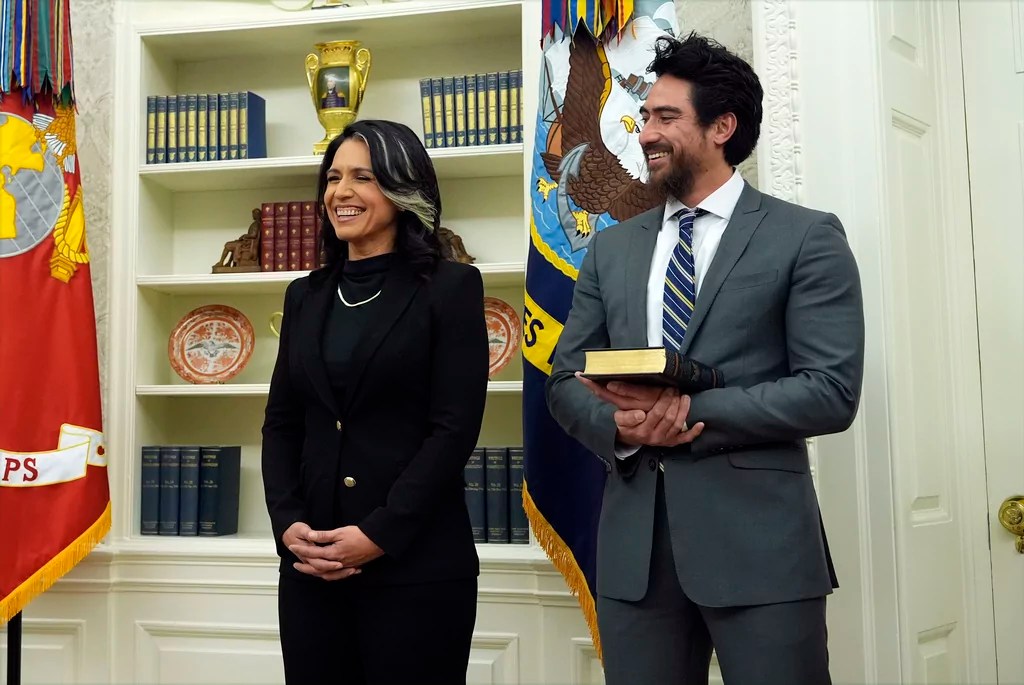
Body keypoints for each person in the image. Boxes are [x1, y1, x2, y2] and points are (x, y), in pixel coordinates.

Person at [545, 32, 864, 685]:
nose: (645, 133)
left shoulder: (805, 237)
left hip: (762, 554)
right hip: (635, 558)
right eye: (646, 118)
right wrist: (620, 426)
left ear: (723, 126)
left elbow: (830, 389)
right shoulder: (610, 250)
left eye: (666, 118)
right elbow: (564, 378)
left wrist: (693, 412)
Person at [261, 119, 489, 685]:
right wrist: (287, 523)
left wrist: (379, 535)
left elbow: (453, 430)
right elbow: (282, 424)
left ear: (402, 187)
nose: (341, 192)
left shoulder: (451, 288)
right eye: (333, 177)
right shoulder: (304, 296)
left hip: (417, 568)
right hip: (312, 567)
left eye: (363, 176)